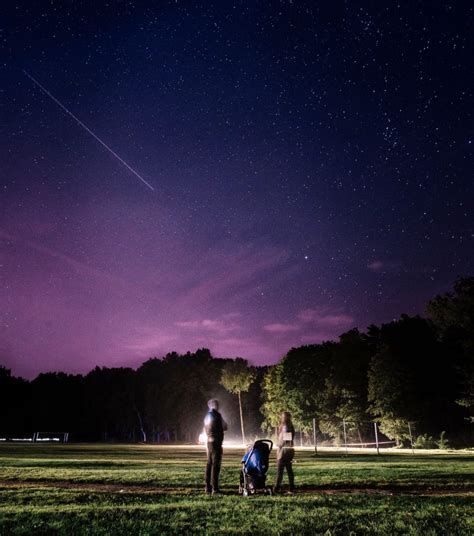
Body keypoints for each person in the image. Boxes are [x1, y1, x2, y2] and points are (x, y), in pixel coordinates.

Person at [203, 398, 227, 494]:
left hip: (209, 442)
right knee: (216, 465)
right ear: (215, 405)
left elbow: (205, 428)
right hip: (216, 442)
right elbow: (225, 426)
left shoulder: (207, 416)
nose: (218, 406)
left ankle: (207, 486)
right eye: (217, 404)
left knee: (209, 464)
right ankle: (215, 488)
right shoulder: (217, 415)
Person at [274, 411, 295, 493]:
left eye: (282, 417)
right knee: (289, 470)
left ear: (284, 417)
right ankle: (291, 487)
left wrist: (279, 444)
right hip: (289, 451)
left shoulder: (286, 426)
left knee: (280, 470)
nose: (281, 418)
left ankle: (276, 488)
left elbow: (287, 438)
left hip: (284, 452)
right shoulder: (290, 425)